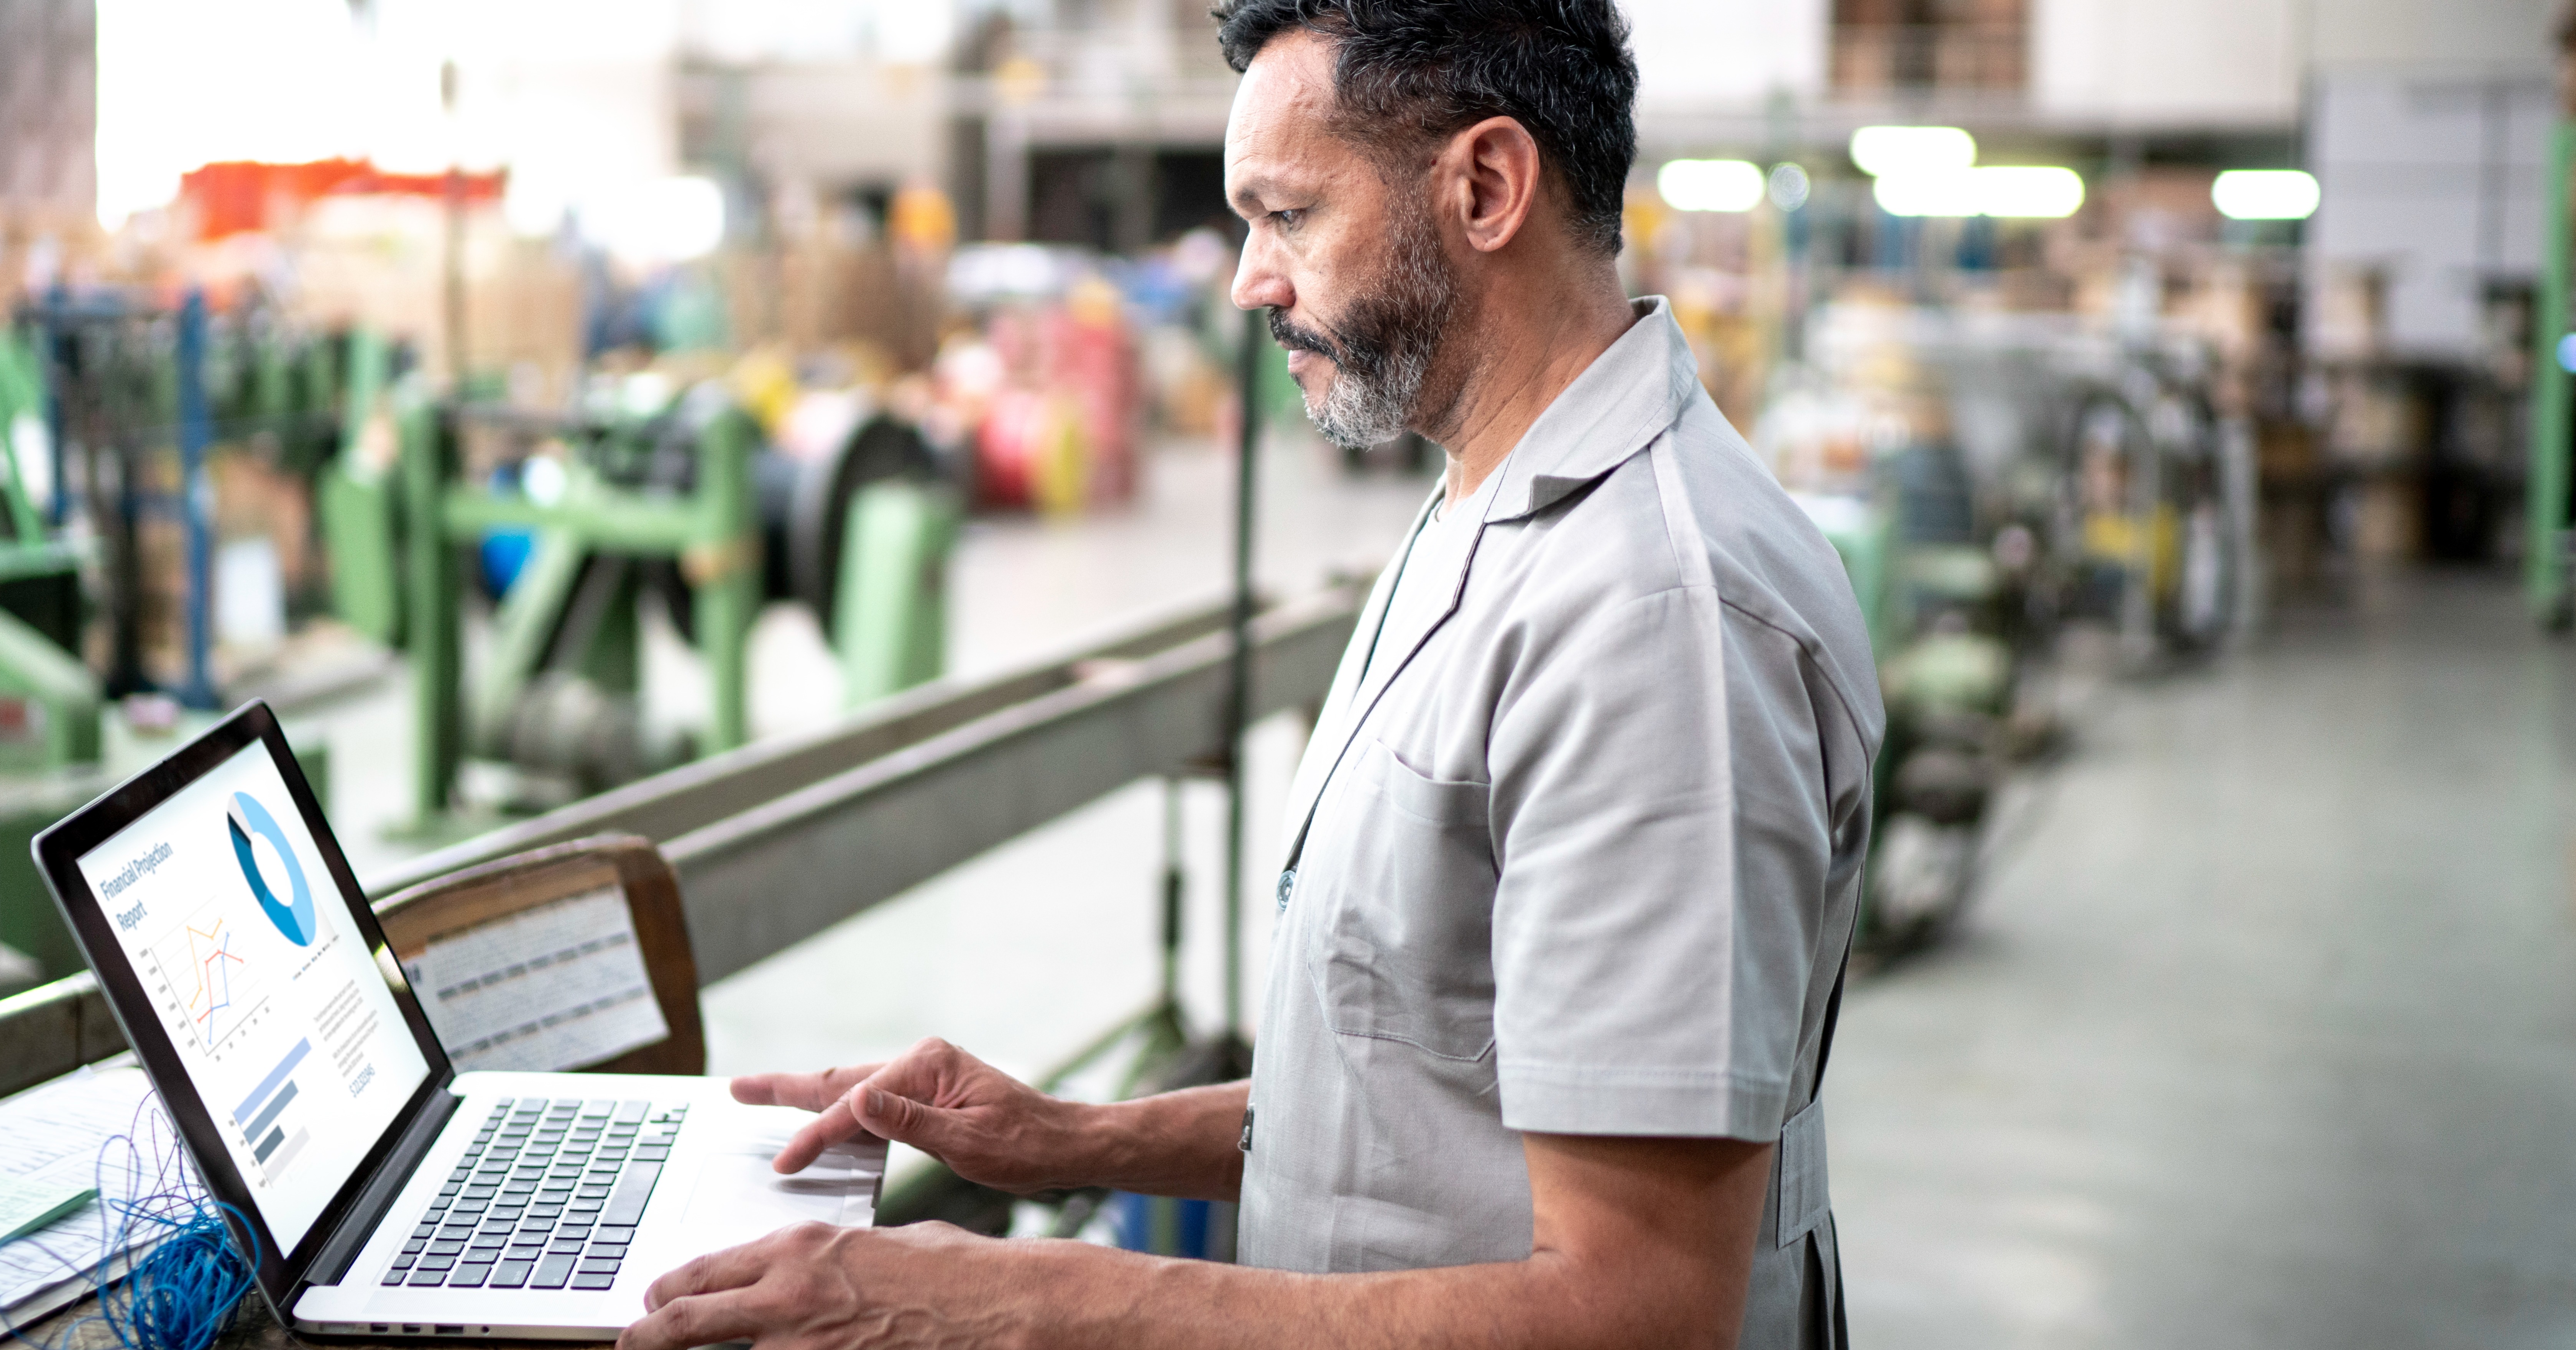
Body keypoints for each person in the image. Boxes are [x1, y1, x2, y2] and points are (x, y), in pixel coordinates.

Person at [616, 2, 1882, 1346]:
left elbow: (1636, 1306)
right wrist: (1072, 1136)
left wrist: (1023, 1297)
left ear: (1487, 186)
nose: (1247, 281)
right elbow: (1426, 1092)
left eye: (1286, 215)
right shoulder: (1491, 500)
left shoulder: (1651, 619)